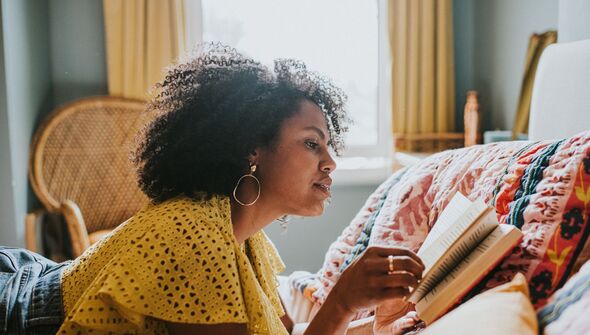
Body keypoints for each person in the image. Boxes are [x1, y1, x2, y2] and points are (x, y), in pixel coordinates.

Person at [0, 44, 424, 335]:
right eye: (312, 143)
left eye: (328, 146)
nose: (330, 162)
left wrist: (382, 324)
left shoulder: (243, 238)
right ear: (251, 150)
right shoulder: (193, 237)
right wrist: (343, 300)